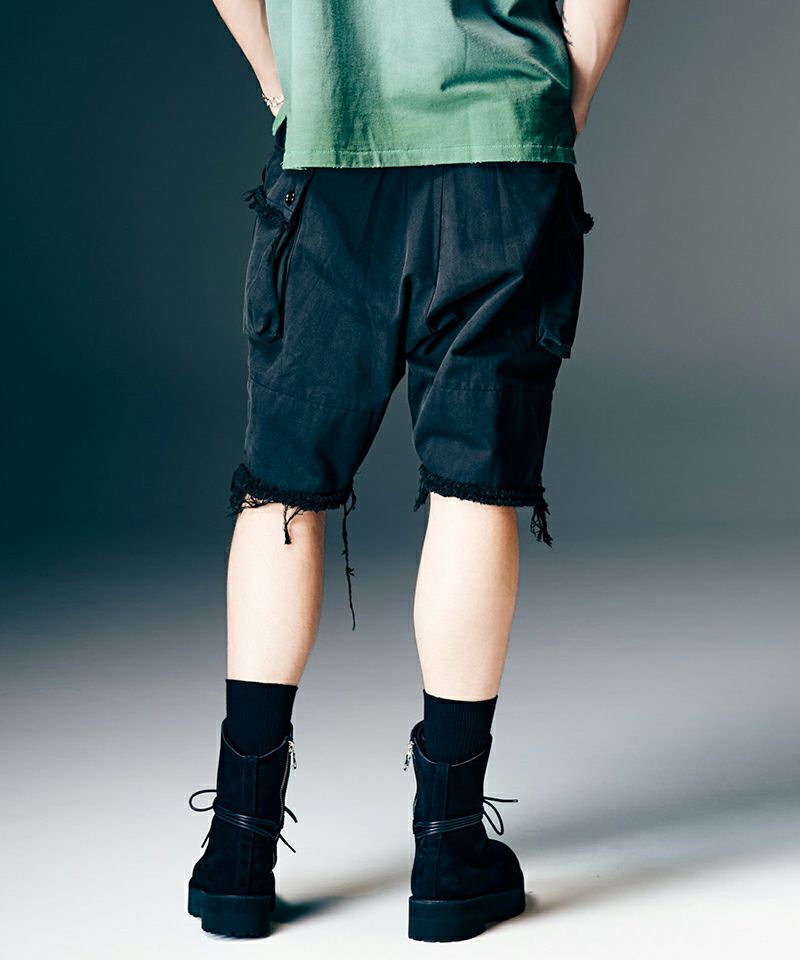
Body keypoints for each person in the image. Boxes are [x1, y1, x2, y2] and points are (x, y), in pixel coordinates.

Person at [187, 0, 629, 942]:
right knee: (474, 484)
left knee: (282, 490)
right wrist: (553, 108)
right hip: (500, 142)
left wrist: (286, 87)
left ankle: (238, 847)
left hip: (329, 140)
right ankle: (449, 848)